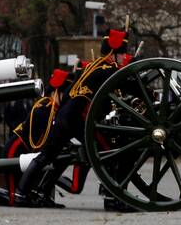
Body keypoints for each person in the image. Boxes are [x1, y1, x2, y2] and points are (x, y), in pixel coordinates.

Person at [15, 29, 132, 207]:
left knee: (47, 156)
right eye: (122, 53)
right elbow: (124, 84)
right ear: (112, 53)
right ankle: (112, 198)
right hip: (77, 119)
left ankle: (22, 194)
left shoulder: (95, 67)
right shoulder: (107, 70)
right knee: (108, 151)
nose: (124, 57)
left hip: (65, 117)